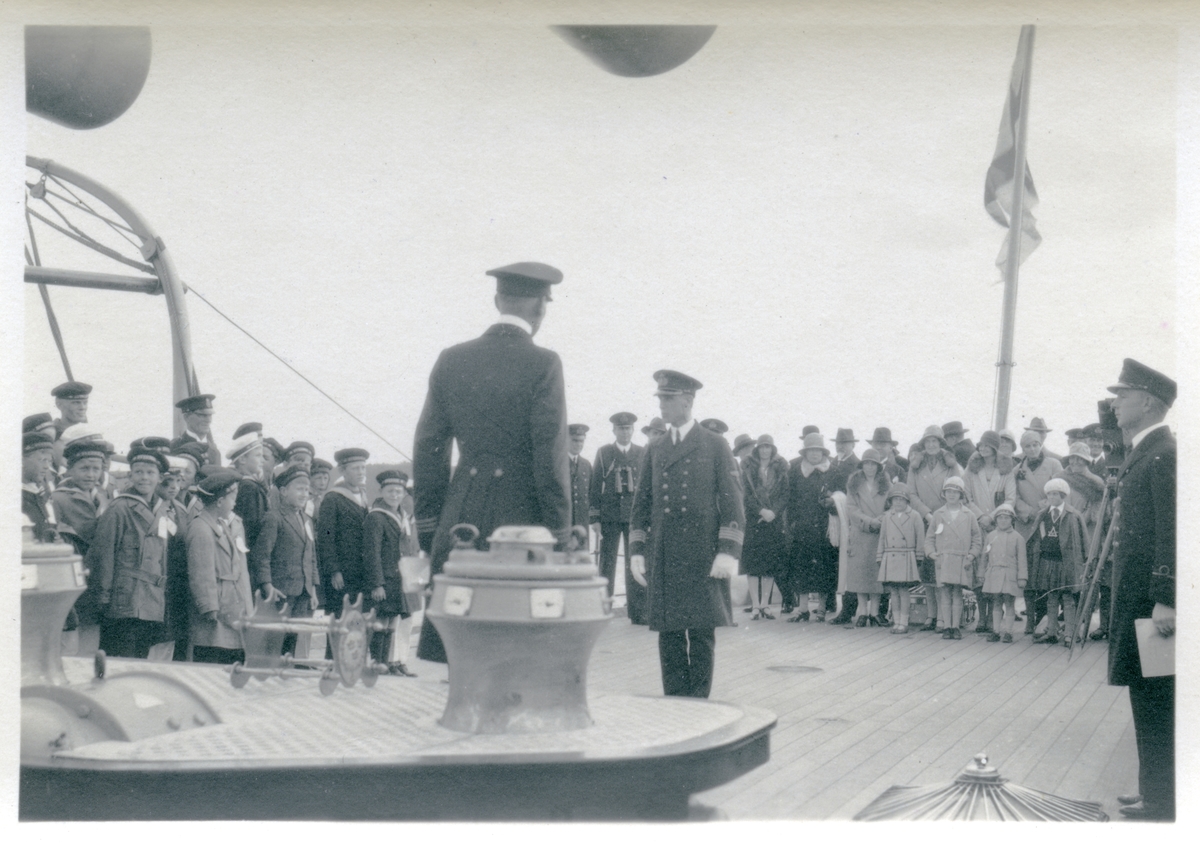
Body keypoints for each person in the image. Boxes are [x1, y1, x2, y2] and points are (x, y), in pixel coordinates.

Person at [413, 263, 571, 663]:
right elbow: (550, 459)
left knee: (460, 638)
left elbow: (429, 447)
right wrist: (559, 532)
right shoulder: (544, 363)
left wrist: (431, 526)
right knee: (516, 646)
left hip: (459, 518)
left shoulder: (451, 359)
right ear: (541, 309)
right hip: (523, 524)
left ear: (497, 300)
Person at [628, 370, 744, 698]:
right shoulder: (655, 448)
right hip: (665, 553)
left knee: (702, 633)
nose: (662, 405)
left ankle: (699, 705)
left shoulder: (715, 444)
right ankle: (676, 704)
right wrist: (637, 549)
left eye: (669, 398)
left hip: (703, 552)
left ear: (688, 401)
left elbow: (734, 503)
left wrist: (728, 551)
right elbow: (641, 505)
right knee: (670, 633)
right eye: (660, 398)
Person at [1104, 358, 1175, 820]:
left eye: (1122, 396)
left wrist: (1168, 597)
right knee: (1145, 694)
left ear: (1147, 402)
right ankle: (1154, 788)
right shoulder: (1142, 451)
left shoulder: (1164, 454)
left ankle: (1163, 798)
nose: (1113, 405)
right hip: (1138, 596)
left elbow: (1173, 530)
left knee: (1157, 697)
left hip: (1154, 601)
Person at [85, 447, 171, 659]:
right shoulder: (119, 508)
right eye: (139, 472)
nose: (144, 478)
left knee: (138, 663)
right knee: (119, 661)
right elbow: (103, 555)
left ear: (160, 478)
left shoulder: (162, 510)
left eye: (150, 473)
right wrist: (103, 597)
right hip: (123, 601)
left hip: (151, 603)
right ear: (130, 475)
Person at [251, 464, 321, 659]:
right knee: (276, 636)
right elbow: (261, 555)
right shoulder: (274, 518)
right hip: (281, 592)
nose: (304, 493)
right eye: (299, 489)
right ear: (283, 491)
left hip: (303, 591)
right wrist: (267, 586)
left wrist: (313, 589)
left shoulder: (306, 519)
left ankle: (285, 670)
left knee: (293, 635)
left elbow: (311, 556)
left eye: (306, 489)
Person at [186, 468, 253, 664]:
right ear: (220, 501)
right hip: (216, 615)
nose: (235, 503)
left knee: (232, 659)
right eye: (233, 498)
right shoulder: (201, 528)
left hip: (231, 607)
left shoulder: (220, 525)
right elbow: (201, 573)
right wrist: (209, 607)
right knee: (214, 661)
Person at [362, 470, 418, 677]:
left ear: (404, 494)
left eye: (398, 491)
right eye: (390, 491)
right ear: (381, 491)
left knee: (393, 621)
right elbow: (371, 553)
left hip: (401, 580)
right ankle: (379, 662)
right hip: (385, 580)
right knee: (381, 620)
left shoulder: (404, 517)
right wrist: (377, 583)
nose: (394, 495)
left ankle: (389, 663)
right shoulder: (376, 517)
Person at [907, 425, 961, 632]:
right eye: (927, 442)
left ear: (941, 444)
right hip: (924, 520)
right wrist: (926, 513)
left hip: (946, 520)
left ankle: (942, 617)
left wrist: (940, 514)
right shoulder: (915, 466)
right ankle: (930, 614)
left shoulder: (950, 466)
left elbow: (958, 488)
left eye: (935, 441)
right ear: (923, 445)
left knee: (943, 568)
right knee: (927, 569)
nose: (931, 445)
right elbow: (910, 493)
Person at [589, 411, 645, 608]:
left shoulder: (642, 452)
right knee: (607, 562)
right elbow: (595, 486)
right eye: (621, 428)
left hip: (634, 517)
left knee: (636, 562)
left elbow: (646, 488)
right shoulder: (604, 453)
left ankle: (638, 611)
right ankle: (604, 606)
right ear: (614, 430)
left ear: (633, 430)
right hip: (609, 516)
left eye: (628, 428)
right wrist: (594, 518)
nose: (624, 432)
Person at [963, 430, 1016, 634]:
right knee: (978, 569)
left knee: (995, 568)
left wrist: (992, 517)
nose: (983, 449)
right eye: (981, 445)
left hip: (997, 525)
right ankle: (982, 616)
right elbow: (966, 496)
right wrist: (980, 516)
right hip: (976, 523)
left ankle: (995, 613)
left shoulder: (1006, 470)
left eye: (987, 446)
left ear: (995, 448)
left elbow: (1010, 498)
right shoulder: (971, 469)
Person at [1012, 430, 1063, 635]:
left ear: (1041, 444)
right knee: (1029, 573)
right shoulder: (1017, 470)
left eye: (1035, 444)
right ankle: (1031, 619)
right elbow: (1012, 496)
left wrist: (1042, 508)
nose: (1032, 449)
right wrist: (1028, 512)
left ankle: (1049, 620)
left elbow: (1060, 489)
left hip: (1049, 521)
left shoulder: (1053, 464)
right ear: (1022, 449)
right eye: (1027, 446)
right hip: (1027, 525)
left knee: (1048, 571)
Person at [1026, 478, 1087, 647]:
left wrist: (1083, 561)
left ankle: (1069, 634)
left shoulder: (1073, 515)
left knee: (1068, 599)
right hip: (1047, 561)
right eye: (1050, 494)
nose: (1052, 497)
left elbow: (1083, 542)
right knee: (1051, 598)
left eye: (1056, 494)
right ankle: (1051, 632)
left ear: (1063, 495)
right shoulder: (1043, 514)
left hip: (1066, 563)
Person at [785, 432, 839, 622]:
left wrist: (832, 501)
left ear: (823, 452)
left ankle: (822, 608)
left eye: (818, 451)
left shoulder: (832, 471)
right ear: (805, 453)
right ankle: (802, 609)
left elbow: (841, 495)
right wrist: (791, 523)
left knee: (824, 568)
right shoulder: (795, 471)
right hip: (803, 528)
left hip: (825, 528)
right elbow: (789, 499)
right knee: (801, 568)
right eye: (811, 451)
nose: (815, 454)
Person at [924, 476, 982, 640]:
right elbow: (930, 538)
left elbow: (977, 539)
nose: (951, 495)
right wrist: (931, 553)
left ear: (961, 495)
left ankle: (955, 626)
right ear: (944, 494)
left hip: (961, 560)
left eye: (955, 492)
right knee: (944, 593)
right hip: (943, 559)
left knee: (957, 593)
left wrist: (971, 555)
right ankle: (946, 626)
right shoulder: (938, 514)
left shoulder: (969, 514)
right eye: (948, 491)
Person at [317, 447, 372, 621]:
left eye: (363, 467)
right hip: (342, 574)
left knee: (357, 624)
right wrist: (334, 570)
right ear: (342, 470)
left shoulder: (363, 497)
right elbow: (326, 538)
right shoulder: (332, 498)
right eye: (355, 468)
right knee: (340, 622)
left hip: (361, 572)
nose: (360, 472)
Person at [740, 434, 789, 620]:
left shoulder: (781, 468)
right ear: (757, 449)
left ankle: (765, 605)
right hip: (754, 520)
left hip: (773, 521)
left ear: (772, 449)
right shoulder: (748, 468)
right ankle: (755, 605)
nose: (765, 450)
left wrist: (773, 512)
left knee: (769, 563)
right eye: (762, 447)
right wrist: (761, 511)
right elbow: (745, 495)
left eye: (768, 447)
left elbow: (785, 494)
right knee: (753, 564)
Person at [843, 449, 890, 626]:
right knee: (860, 574)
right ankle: (862, 612)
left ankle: (875, 613)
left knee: (876, 574)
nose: (869, 467)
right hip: (860, 532)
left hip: (879, 533)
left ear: (878, 467)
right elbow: (851, 508)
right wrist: (869, 521)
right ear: (862, 465)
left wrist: (881, 520)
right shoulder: (853, 484)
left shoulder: (885, 484)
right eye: (866, 463)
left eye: (873, 464)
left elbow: (891, 505)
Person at [876, 484, 924, 634]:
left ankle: (904, 622)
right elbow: (882, 537)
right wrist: (880, 555)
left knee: (903, 590)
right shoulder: (887, 516)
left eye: (901, 500)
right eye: (895, 500)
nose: (898, 503)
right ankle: (896, 621)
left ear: (907, 501)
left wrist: (919, 555)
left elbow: (920, 538)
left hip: (906, 555)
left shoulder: (915, 516)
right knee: (893, 591)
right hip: (890, 555)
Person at [980, 503, 1026, 643]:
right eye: (1000, 518)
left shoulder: (1018, 538)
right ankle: (995, 631)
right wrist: (981, 573)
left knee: (1009, 602)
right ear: (996, 520)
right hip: (994, 573)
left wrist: (1022, 577)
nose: (1003, 521)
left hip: (1010, 575)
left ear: (1012, 520)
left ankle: (1008, 632)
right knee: (997, 603)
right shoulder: (991, 536)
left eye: (1006, 518)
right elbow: (984, 557)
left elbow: (1022, 560)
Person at [229, 433, 271, 566]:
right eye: (258, 456)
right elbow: (254, 529)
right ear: (242, 460)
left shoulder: (240, 483)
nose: (263, 461)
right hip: (251, 559)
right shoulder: (249, 487)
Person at [22, 430, 59, 542]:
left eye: (49, 461)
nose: (47, 467)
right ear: (21, 460)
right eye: (42, 460)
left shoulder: (41, 494)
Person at [170, 394, 221, 468]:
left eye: (210, 415)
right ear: (186, 417)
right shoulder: (175, 446)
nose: (208, 420)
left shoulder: (213, 448)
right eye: (202, 415)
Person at [566, 424, 593, 542]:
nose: (578, 444)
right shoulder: (558, 463)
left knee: (582, 556)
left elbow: (591, 492)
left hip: (582, 522)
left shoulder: (586, 465)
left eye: (581, 441)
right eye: (575, 440)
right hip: (564, 521)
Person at [827, 428, 860, 492]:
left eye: (844, 443)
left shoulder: (858, 465)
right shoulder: (830, 463)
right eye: (837, 443)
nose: (840, 446)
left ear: (853, 445)